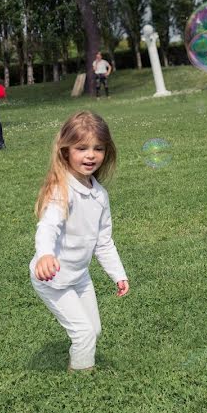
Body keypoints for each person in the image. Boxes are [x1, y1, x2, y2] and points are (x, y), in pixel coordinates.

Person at [29, 111, 129, 372]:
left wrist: (118, 274)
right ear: (65, 152)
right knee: (84, 333)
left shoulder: (99, 195)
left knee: (93, 330)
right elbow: (48, 226)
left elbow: (104, 242)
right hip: (52, 279)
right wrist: (45, 255)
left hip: (79, 276)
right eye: (82, 148)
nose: (91, 155)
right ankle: (82, 382)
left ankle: (81, 361)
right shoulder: (61, 190)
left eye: (98, 148)